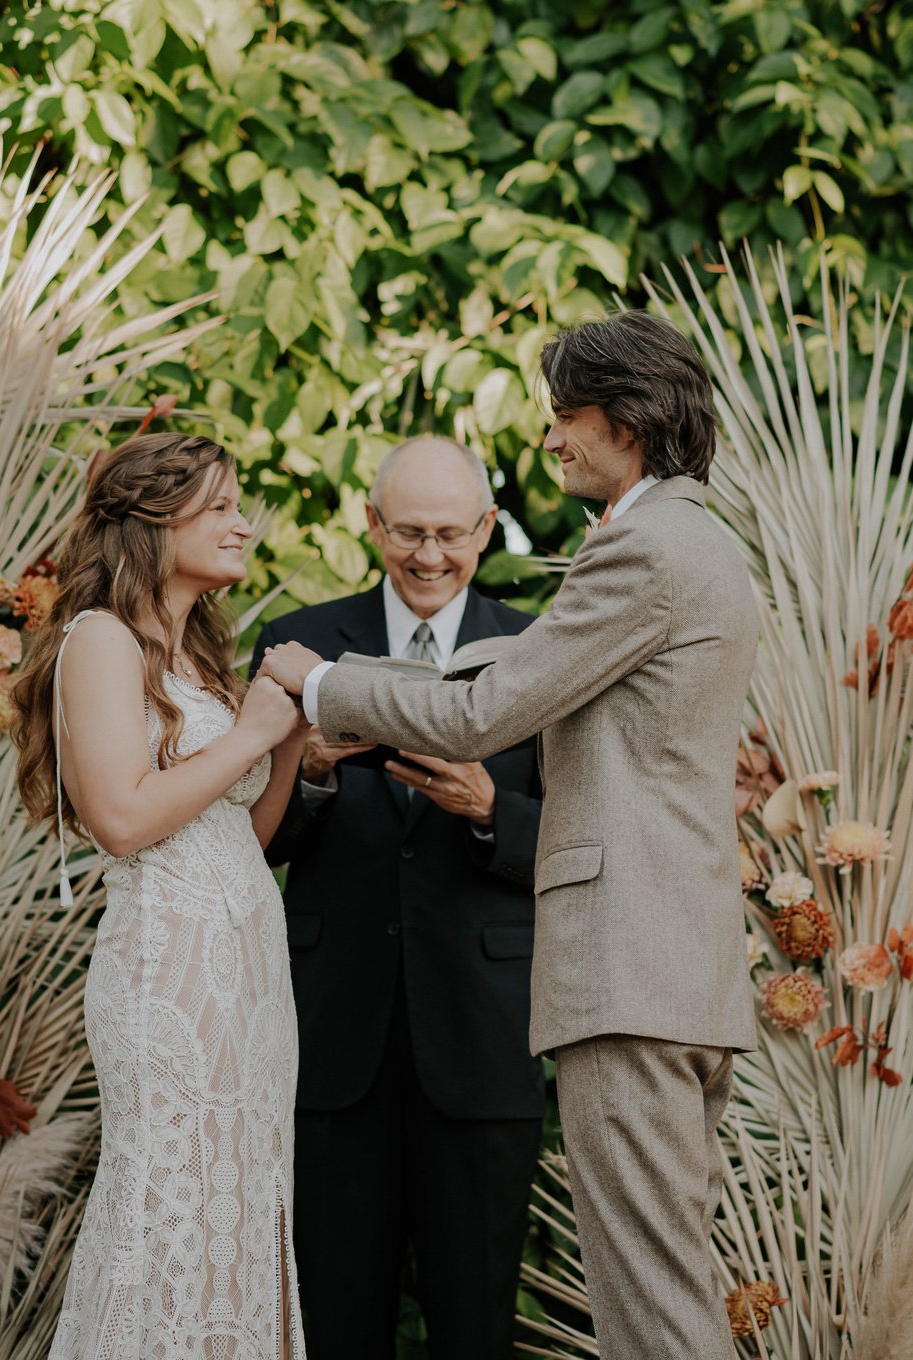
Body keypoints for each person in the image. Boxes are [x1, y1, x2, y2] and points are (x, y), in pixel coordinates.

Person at [259, 313, 759, 1360]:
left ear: (623, 417)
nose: (552, 440)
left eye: (563, 416)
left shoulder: (643, 548)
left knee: (653, 1308)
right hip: (671, 966)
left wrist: (317, 682)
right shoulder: (695, 537)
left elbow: (480, 719)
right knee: (656, 1292)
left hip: (631, 968)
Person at [14, 432, 309, 1360]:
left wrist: (288, 739)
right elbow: (122, 818)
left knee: (245, 1202)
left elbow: (240, 841)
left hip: (250, 982)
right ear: (150, 519)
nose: (242, 524)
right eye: (218, 506)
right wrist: (252, 729)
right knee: (169, 1206)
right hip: (169, 981)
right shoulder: (96, 639)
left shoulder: (192, 654)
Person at [252, 436, 545, 1360]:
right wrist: (313, 777)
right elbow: (244, 844)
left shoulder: (541, 650)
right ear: (371, 525)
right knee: (334, 1322)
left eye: (451, 535)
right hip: (334, 1038)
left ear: (487, 529)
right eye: (407, 532)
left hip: (485, 1032)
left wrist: (493, 809)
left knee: (475, 1327)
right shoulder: (298, 644)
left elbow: (587, 837)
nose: (428, 556)